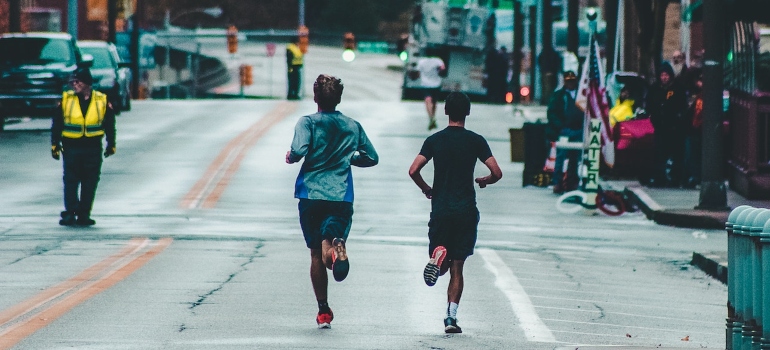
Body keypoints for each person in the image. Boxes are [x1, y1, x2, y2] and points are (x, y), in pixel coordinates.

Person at [285, 74, 379, 329]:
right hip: (340, 197)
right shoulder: (352, 126)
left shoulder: (307, 123)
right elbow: (372, 157)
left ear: (315, 97)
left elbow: (300, 149)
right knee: (329, 244)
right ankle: (337, 249)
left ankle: (323, 310)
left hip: (311, 195)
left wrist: (291, 157)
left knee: (316, 253)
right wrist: (349, 158)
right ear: (338, 98)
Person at [408, 91, 502, 334]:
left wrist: (427, 189)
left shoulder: (435, 140)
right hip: (465, 211)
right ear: (467, 113)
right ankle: (450, 318)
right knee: (458, 267)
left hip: (441, 208)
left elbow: (413, 170)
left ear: (446, 111)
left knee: (443, 265)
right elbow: (497, 172)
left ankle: (439, 257)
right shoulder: (476, 141)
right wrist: (485, 180)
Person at [51, 67, 116, 226]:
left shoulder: (101, 100)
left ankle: (84, 214)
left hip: (93, 148)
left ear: (87, 83)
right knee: (71, 181)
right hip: (71, 147)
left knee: (90, 182)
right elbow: (57, 123)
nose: (74, 84)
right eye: (72, 81)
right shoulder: (66, 100)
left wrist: (111, 144)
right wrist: (55, 144)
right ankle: (71, 213)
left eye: (77, 81)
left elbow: (109, 123)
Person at [646, 62, 688, 187]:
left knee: (676, 155)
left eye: (666, 75)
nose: (664, 78)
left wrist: (678, 119)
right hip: (660, 127)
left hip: (675, 128)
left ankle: (675, 179)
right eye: (662, 75)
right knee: (659, 154)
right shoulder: (655, 89)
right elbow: (650, 104)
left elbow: (682, 106)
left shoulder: (678, 88)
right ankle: (659, 178)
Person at [545, 70, 583, 194]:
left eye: (573, 81)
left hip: (578, 130)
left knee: (574, 158)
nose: (571, 84)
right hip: (564, 131)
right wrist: (560, 127)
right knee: (560, 157)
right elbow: (552, 113)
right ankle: (558, 182)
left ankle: (572, 182)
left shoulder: (581, 95)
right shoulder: (559, 95)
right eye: (568, 81)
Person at [414, 54, 446, 130]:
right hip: (436, 84)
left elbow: (418, 73)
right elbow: (443, 68)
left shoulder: (421, 61)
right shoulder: (438, 60)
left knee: (428, 101)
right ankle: (432, 118)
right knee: (434, 102)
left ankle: (431, 118)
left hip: (425, 84)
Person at [684, 69, 703, 188]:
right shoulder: (697, 97)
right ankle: (693, 177)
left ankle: (695, 177)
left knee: (694, 155)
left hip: (697, 130)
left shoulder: (700, 97)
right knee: (692, 156)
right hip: (693, 130)